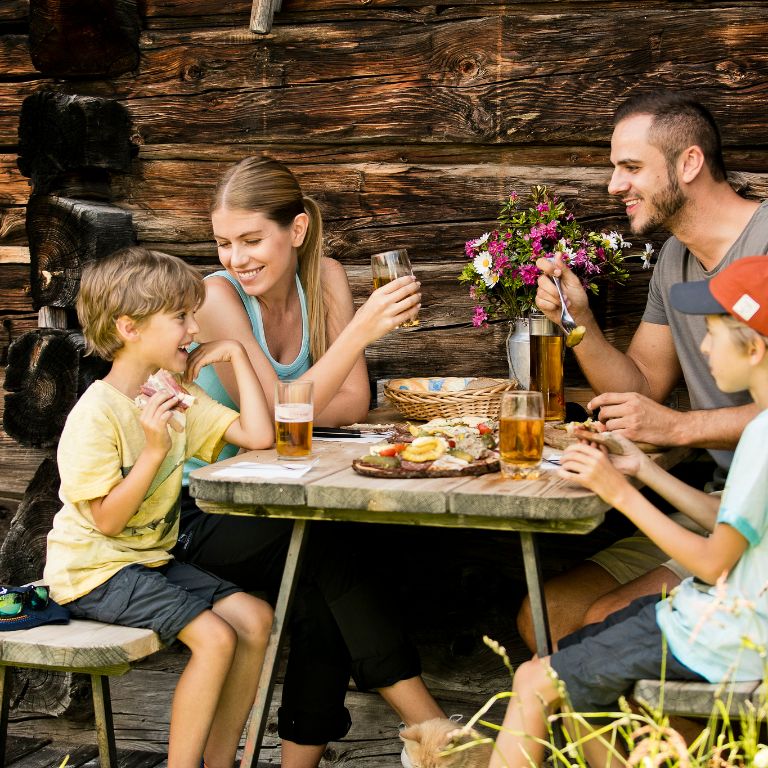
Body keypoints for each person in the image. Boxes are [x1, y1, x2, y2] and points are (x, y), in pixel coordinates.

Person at [175, 156, 443, 768]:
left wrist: (302, 396)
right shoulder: (217, 298)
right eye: (223, 243)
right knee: (321, 544)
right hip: (202, 511)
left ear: (295, 231)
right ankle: (432, 729)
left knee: (323, 574)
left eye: (251, 240)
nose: (236, 259)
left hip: (281, 494)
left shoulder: (323, 277)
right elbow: (271, 422)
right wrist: (360, 334)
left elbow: (353, 399)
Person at [491, 255, 768, 768]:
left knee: (534, 680)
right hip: (712, 620)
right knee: (567, 678)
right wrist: (642, 469)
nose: (702, 347)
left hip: (722, 637)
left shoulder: (762, 439)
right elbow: (731, 520)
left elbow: (712, 562)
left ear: (752, 347)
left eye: (712, 334)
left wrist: (618, 493)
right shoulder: (761, 430)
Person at [517, 89, 766, 650]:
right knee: (544, 616)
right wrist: (578, 321)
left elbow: (672, 415)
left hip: (759, 520)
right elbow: (645, 385)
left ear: (690, 163)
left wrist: (679, 428)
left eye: (631, 167)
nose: (614, 185)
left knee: (602, 625)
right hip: (712, 503)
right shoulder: (675, 258)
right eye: (614, 168)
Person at [43, 247, 275, 768]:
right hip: (93, 570)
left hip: (147, 562)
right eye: (180, 318)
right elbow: (106, 520)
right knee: (215, 639)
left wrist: (237, 353)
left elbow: (257, 436)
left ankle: (220, 761)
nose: (194, 329)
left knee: (256, 619)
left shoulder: (173, 394)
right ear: (129, 327)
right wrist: (152, 450)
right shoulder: (96, 413)